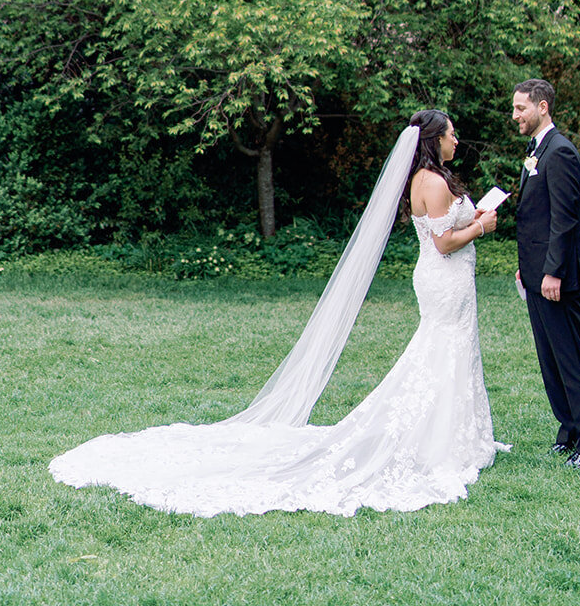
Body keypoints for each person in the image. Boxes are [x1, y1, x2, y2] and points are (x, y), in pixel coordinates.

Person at [49, 108, 505, 515]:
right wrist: (482, 225)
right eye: (451, 134)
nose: (456, 140)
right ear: (433, 140)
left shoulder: (423, 179)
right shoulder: (435, 182)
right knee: (440, 351)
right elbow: (445, 243)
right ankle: (443, 441)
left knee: (443, 351)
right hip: (445, 281)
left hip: (443, 284)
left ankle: (452, 434)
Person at [512, 78, 580, 467]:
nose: (514, 115)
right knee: (549, 360)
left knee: (570, 360)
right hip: (536, 275)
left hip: (558, 279)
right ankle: (567, 431)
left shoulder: (561, 152)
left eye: (520, 108)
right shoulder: (537, 150)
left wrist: (552, 272)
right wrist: (527, 268)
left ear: (542, 107)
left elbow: (565, 221)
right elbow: (536, 215)